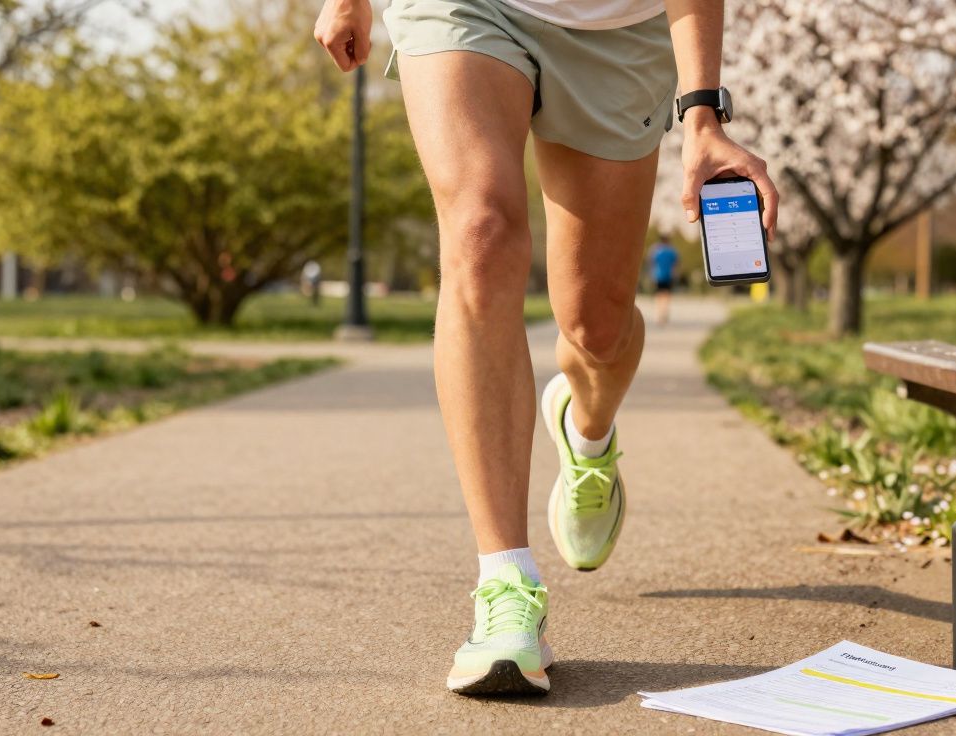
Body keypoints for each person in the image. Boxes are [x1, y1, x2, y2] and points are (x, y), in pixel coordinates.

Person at [315, 0, 778, 696]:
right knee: (480, 232)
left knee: (597, 324)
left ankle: (587, 431)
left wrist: (703, 115)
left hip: (615, 30)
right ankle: (506, 583)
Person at [647, 234, 680, 325]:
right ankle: (664, 312)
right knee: (667, 295)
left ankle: (659, 314)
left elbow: (651, 262)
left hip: (658, 276)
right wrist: (676, 274)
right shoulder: (672, 251)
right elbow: (676, 264)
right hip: (669, 276)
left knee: (658, 295)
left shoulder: (655, 250)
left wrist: (651, 275)